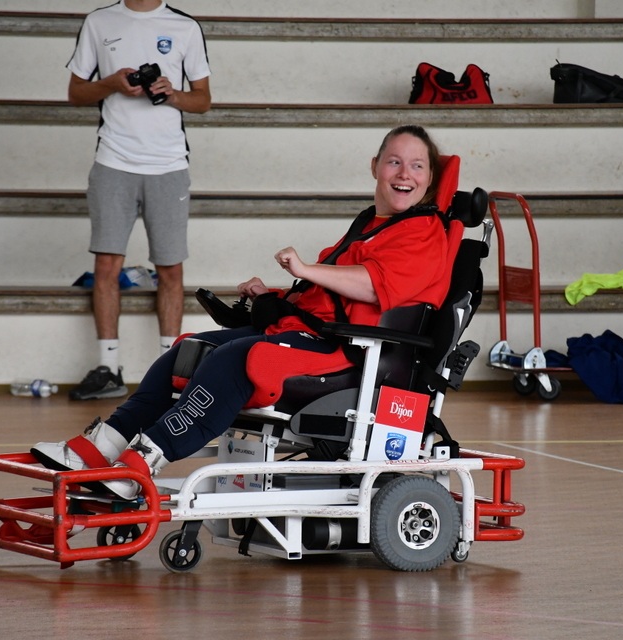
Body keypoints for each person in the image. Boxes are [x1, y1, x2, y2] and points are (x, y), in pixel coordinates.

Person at [32, 125, 453, 499]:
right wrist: (275, 296)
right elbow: (333, 296)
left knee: (236, 360)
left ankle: (142, 462)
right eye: (394, 162)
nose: (404, 173)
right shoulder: (374, 225)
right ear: (375, 166)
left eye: (417, 166)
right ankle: (102, 446)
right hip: (316, 334)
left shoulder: (425, 233)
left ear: (430, 178)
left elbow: (372, 286)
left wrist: (306, 269)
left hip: (352, 355)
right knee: (187, 350)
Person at [66, 0, 211, 400]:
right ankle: (109, 368)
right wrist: (111, 83)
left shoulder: (184, 26)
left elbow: (203, 100)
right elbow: (76, 92)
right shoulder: (99, 21)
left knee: (170, 268)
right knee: (106, 265)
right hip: (112, 161)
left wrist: (172, 93)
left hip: (169, 164)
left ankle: (169, 374)